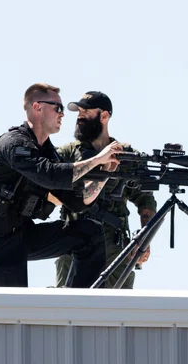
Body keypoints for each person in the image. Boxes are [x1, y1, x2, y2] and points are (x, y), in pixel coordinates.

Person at [0, 83, 122, 288]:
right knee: (13, 315)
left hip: (21, 236)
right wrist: (97, 160)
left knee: (89, 233)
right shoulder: (14, 144)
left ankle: (75, 304)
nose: (63, 115)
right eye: (58, 108)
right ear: (37, 107)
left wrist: (105, 172)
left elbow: (77, 201)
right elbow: (49, 175)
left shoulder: (46, 151)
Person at [53, 91, 157, 289]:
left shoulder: (125, 155)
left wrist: (145, 239)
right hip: (74, 243)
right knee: (67, 310)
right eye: (79, 112)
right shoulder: (67, 154)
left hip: (114, 249)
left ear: (104, 116)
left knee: (118, 313)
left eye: (87, 111)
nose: (80, 116)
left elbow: (146, 200)